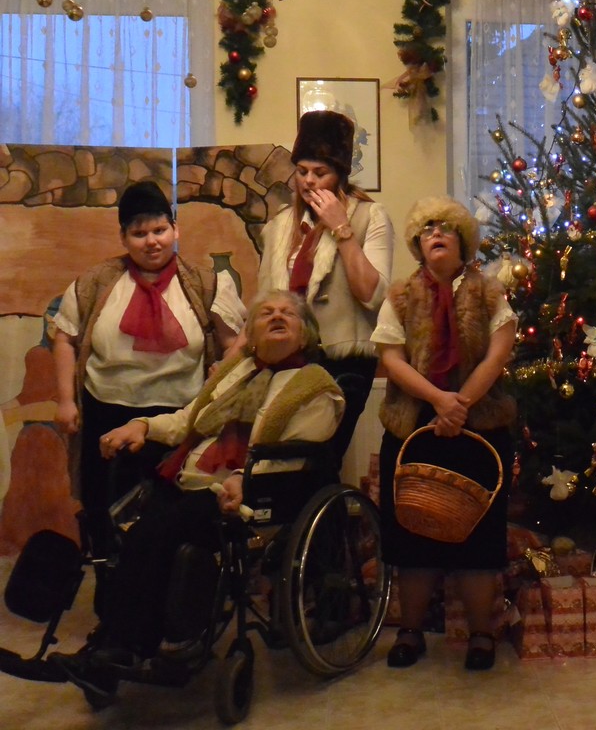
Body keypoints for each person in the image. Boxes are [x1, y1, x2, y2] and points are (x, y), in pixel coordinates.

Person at [50, 290, 344, 701]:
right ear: (251, 333)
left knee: (155, 531)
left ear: (306, 334)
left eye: (288, 314)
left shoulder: (317, 387)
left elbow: (297, 456)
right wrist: (143, 426)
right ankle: (119, 642)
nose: (277, 317)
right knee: (128, 529)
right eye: (266, 313)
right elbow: (189, 420)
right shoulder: (236, 371)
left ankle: (124, 646)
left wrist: (244, 479)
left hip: (251, 496)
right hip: (189, 482)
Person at [53, 181, 244, 568]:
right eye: (139, 234)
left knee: (166, 514)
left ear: (175, 229)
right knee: (104, 510)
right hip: (107, 410)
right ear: (123, 238)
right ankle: (111, 595)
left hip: (179, 417)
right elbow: (64, 338)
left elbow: (234, 342)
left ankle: (170, 596)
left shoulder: (205, 283)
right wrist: (66, 400)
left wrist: (221, 374)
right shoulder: (95, 283)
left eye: (160, 230)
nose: (152, 242)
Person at [373, 196, 517, 672]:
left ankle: (481, 635)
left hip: (480, 429)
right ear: (418, 243)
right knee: (411, 534)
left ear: (463, 240)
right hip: (413, 428)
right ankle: (410, 632)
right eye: (428, 228)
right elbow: (390, 357)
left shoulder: (491, 292)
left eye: (446, 227)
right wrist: (438, 400)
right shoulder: (399, 295)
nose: (436, 233)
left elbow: (499, 353)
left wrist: (460, 405)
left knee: (480, 538)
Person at [258, 109, 394, 466]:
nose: (308, 181)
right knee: (281, 463)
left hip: (343, 364)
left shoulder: (370, 216)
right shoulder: (280, 226)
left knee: (320, 462)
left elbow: (372, 296)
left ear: (340, 176)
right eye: (302, 171)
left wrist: (341, 229)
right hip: (287, 360)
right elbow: (264, 302)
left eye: (320, 173)